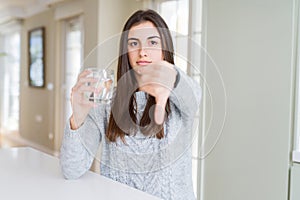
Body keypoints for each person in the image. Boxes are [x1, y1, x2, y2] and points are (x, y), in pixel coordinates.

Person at [60, 9, 201, 200]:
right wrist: (77, 117)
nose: (142, 52)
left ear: (164, 49)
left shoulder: (181, 95)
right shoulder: (107, 100)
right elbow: (71, 170)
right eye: (134, 43)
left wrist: (172, 78)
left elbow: (192, 93)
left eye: (152, 42)